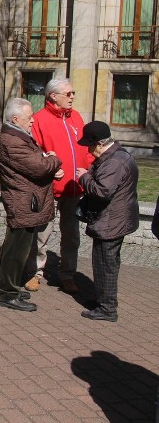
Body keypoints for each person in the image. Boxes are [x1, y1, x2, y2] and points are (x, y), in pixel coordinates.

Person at [0, 98, 62, 312]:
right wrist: (54, 160)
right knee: (15, 251)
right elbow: (39, 166)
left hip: (27, 201)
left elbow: (38, 162)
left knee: (18, 250)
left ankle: (10, 287)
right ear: (16, 119)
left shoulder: (19, 136)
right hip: (22, 202)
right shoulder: (12, 140)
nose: (33, 121)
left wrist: (49, 163)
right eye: (29, 117)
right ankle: (8, 293)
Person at [26, 78, 92, 294]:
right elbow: (34, 156)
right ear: (53, 96)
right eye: (69, 93)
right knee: (42, 234)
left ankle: (67, 275)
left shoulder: (77, 118)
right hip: (49, 189)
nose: (73, 96)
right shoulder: (38, 121)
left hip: (74, 189)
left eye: (73, 93)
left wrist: (89, 171)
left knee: (71, 235)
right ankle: (35, 273)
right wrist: (50, 170)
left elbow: (86, 150)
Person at [75, 121, 139, 322]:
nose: (88, 149)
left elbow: (103, 191)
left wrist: (84, 177)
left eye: (90, 145)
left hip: (111, 221)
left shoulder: (114, 162)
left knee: (105, 264)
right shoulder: (116, 156)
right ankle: (104, 301)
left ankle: (107, 308)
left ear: (100, 143)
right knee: (106, 263)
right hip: (114, 219)